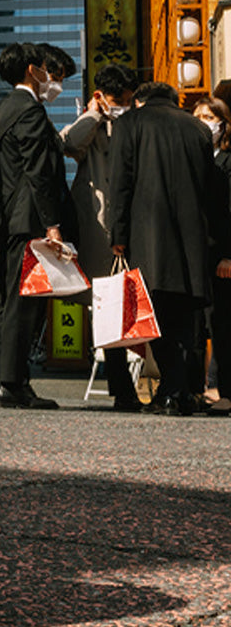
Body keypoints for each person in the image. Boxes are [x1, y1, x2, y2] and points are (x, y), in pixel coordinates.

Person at [108, 82, 231, 415]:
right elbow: (209, 188)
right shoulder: (197, 129)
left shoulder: (129, 124)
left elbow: (120, 181)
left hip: (146, 234)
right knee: (181, 316)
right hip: (192, 238)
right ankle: (176, 391)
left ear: (140, 100)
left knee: (154, 312)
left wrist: (118, 234)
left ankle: (173, 389)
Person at [0, 41, 72, 409]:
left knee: (9, 301)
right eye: (43, 68)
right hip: (30, 218)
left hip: (7, 216)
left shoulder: (2, 109)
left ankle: (3, 381)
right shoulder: (31, 113)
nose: (48, 77)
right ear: (30, 70)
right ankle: (14, 384)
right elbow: (39, 172)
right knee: (26, 302)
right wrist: (52, 226)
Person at [61, 63, 141, 411]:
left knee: (137, 303)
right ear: (101, 96)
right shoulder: (93, 125)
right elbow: (66, 143)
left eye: (127, 99)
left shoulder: (137, 122)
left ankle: (141, 381)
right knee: (109, 307)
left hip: (135, 224)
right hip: (99, 226)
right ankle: (122, 388)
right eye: (116, 100)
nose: (122, 104)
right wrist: (95, 114)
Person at [192, 97, 231, 415]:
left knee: (221, 322)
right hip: (195, 252)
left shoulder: (227, 161)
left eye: (210, 116)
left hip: (221, 254)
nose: (205, 122)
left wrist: (228, 255)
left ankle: (222, 387)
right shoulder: (191, 159)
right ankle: (198, 386)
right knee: (198, 321)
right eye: (199, 116)